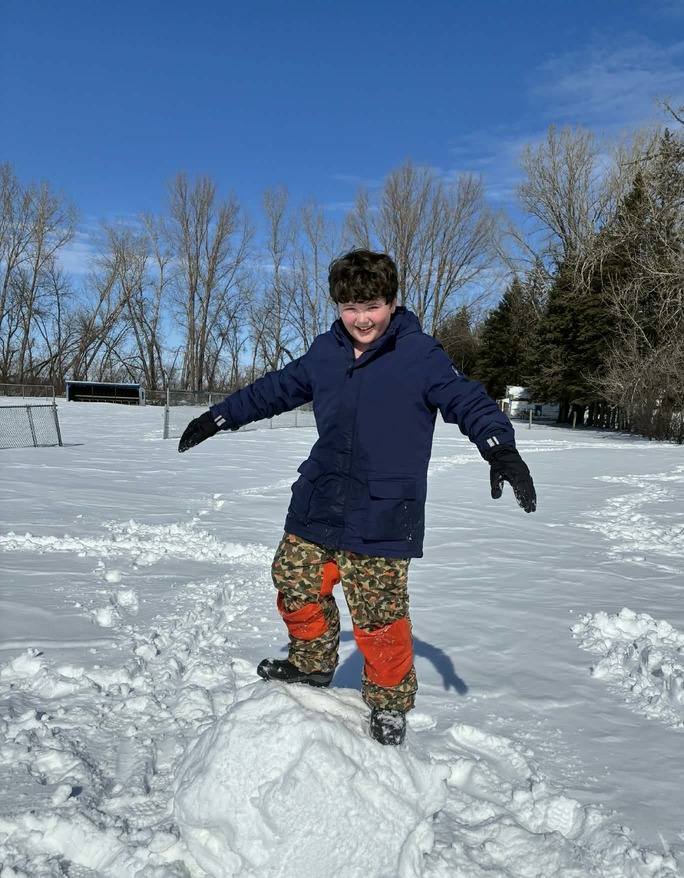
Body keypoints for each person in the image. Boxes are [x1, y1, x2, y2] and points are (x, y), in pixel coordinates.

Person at [178, 250, 536, 745]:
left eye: (371, 305)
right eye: (349, 306)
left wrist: (500, 449)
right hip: (320, 497)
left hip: (384, 510)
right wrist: (217, 417)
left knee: (379, 615)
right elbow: (273, 390)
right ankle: (312, 663)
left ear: (392, 301)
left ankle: (389, 702)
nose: (361, 319)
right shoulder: (326, 352)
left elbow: (469, 401)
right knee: (294, 579)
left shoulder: (420, 355)